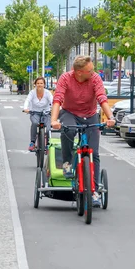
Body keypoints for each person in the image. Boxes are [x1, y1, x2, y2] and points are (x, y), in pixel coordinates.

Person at [51, 55, 116, 208]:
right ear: (79, 72)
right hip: (70, 113)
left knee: (94, 152)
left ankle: (94, 191)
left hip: (90, 115)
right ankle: (67, 162)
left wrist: (110, 117)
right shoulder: (66, 78)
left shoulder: (95, 78)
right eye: (90, 70)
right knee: (68, 130)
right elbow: (57, 99)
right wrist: (54, 120)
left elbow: (102, 98)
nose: (93, 72)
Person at [23, 77, 53, 152]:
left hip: (46, 113)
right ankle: (32, 142)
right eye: (38, 83)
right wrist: (25, 108)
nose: (39, 85)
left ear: (44, 85)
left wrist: (54, 108)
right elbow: (27, 100)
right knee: (35, 123)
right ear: (35, 84)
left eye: (41, 83)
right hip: (34, 113)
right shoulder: (32, 93)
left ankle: (48, 144)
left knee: (48, 128)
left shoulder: (47, 93)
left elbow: (52, 101)